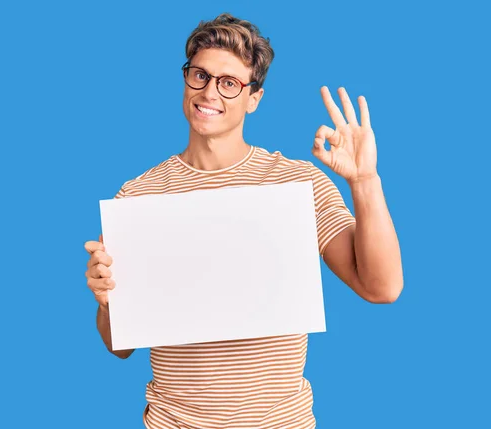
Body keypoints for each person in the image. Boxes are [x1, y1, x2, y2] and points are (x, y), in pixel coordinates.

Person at [84, 12, 403, 429]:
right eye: (199, 75)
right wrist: (108, 302)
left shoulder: (297, 182)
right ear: (186, 80)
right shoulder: (140, 195)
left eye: (229, 82)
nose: (209, 92)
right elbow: (119, 347)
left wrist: (364, 180)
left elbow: (382, 287)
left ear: (254, 98)